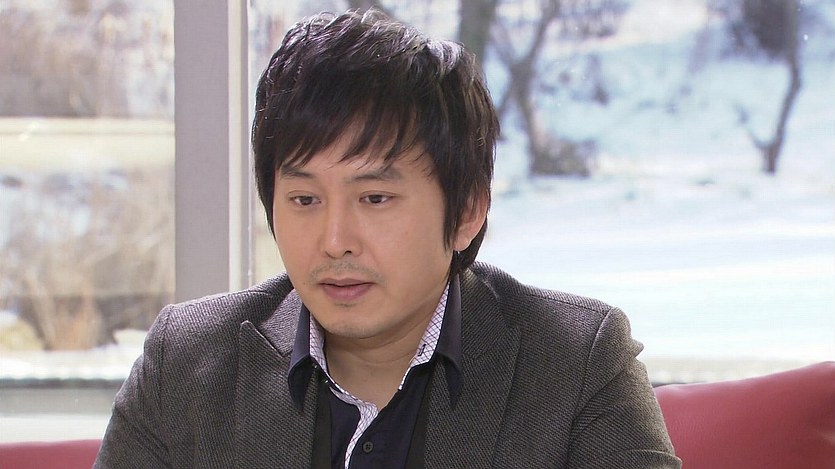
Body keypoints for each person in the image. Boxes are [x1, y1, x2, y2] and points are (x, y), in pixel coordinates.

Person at [95, 8, 680, 469]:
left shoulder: (576, 365)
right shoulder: (187, 365)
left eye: (374, 198)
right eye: (304, 200)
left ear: (467, 210)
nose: (335, 241)